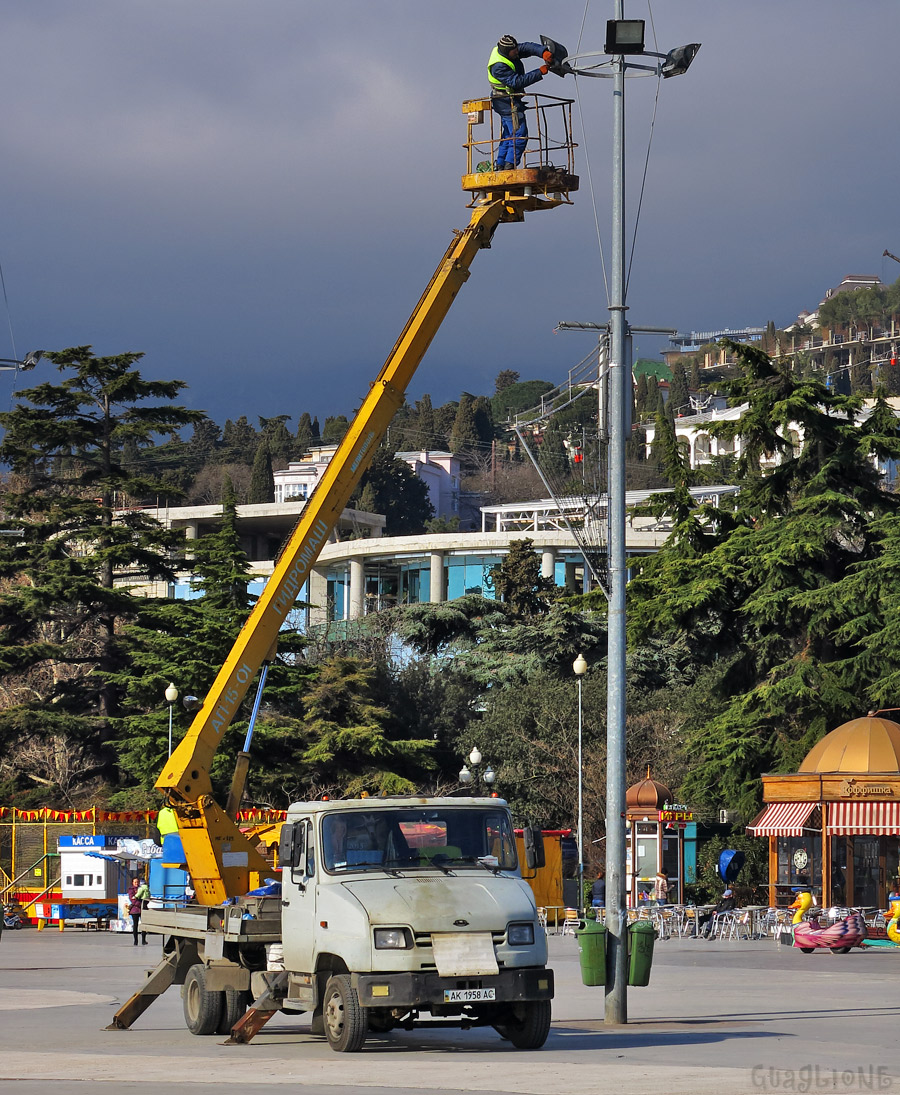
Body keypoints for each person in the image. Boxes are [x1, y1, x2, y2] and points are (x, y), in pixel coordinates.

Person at [488, 35, 551, 170]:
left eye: (516, 48)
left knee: (509, 134)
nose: (517, 52)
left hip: (506, 99)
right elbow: (517, 82)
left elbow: (527, 47)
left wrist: (542, 52)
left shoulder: (509, 50)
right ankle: (509, 165)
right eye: (514, 50)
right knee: (520, 133)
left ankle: (500, 165)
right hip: (505, 101)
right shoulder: (498, 66)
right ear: (506, 52)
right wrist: (539, 72)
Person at [127, 876, 149, 946]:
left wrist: (144, 903)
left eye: (138, 882)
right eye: (135, 882)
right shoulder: (131, 890)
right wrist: (140, 903)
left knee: (144, 925)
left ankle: (143, 940)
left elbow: (146, 897)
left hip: (143, 909)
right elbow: (132, 900)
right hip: (135, 910)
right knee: (135, 925)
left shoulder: (142, 888)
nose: (137, 883)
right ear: (132, 883)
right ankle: (135, 940)